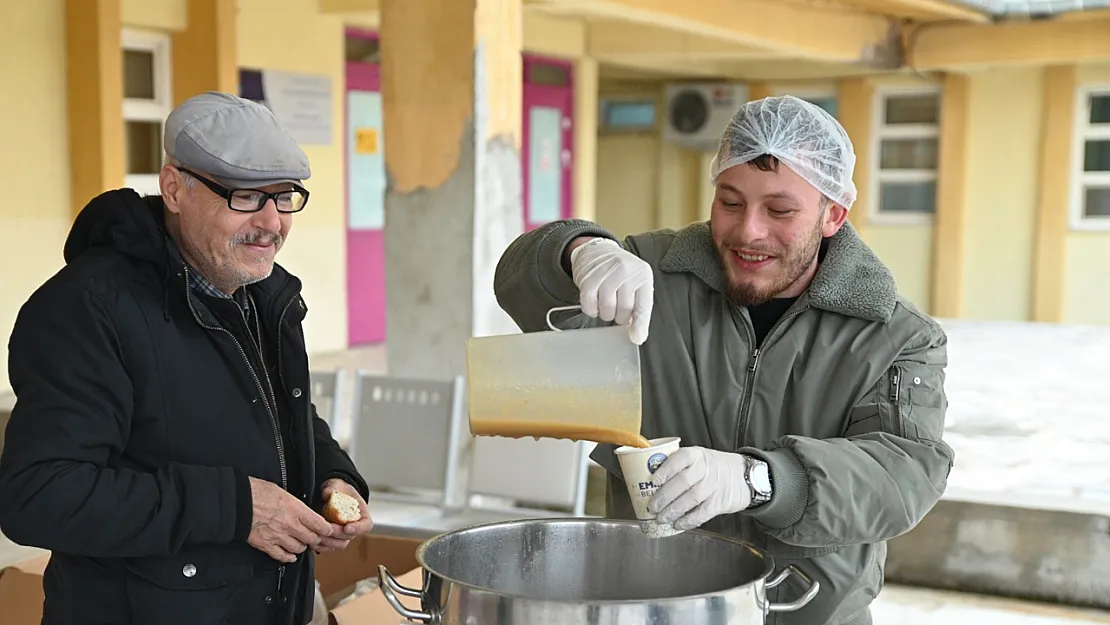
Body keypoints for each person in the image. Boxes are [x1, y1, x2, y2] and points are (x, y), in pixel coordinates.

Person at [493, 95, 955, 624]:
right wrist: (576, 251)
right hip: (653, 607)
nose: (747, 231)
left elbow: (904, 474)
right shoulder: (655, 274)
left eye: (780, 210)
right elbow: (516, 284)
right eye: (730, 202)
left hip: (805, 613)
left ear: (833, 214)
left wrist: (759, 479)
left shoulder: (893, 334)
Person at [0, 91, 373, 625]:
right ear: (175, 188)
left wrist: (332, 477)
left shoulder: (261, 294)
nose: (271, 222)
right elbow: (39, 496)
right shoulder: (87, 308)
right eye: (245, 196)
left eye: (284, 195)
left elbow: (280, 415)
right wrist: (236, 509)